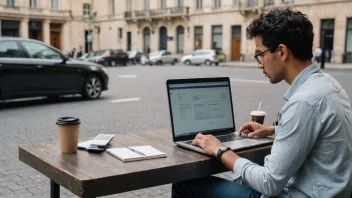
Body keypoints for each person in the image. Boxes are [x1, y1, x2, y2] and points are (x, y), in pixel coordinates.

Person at [172, 8, 352, 198]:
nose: (259, 64)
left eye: (260, 54)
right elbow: (317, 128)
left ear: (282, 52)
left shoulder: (303, 102)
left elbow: (269, 183)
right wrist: (274, 129)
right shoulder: (328, 84)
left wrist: (220, 149)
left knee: (183, 185)